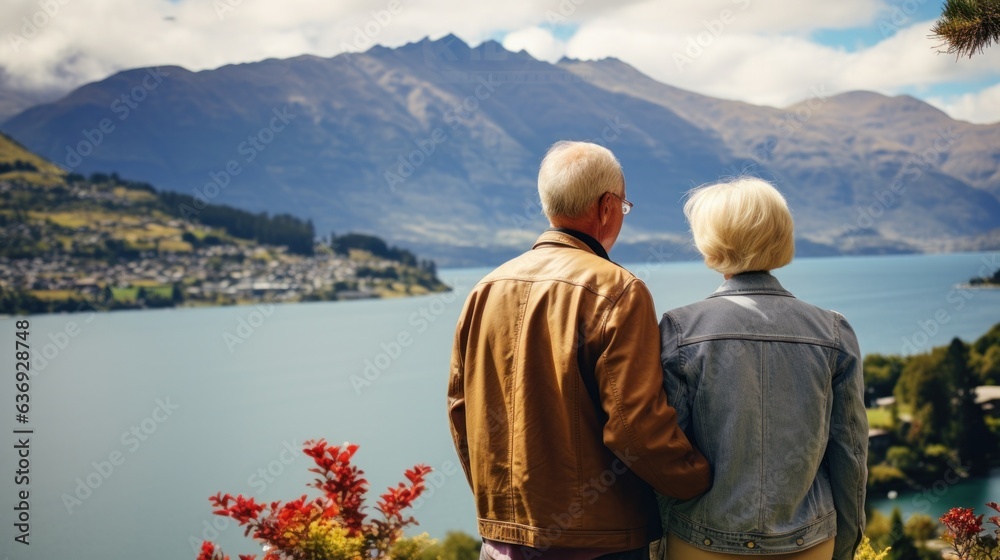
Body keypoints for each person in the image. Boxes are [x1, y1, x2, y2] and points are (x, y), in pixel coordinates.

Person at [448, 141, 712, 560]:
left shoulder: (485, 289)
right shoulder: (618, 289)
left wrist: (499, 507)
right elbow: (634, 427)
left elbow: (462, 411)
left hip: (501, 541)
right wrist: (697, 480)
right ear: (606, 206)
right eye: (624, 207)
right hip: (597, 541)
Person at [656, 177, 868, 560]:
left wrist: (657, 544)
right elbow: (850, 453)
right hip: (810, 542)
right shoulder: (834, 331)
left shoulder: (679, 329)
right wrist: (846, 545)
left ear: (711, 242)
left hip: (699, 542)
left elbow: (667, 454)